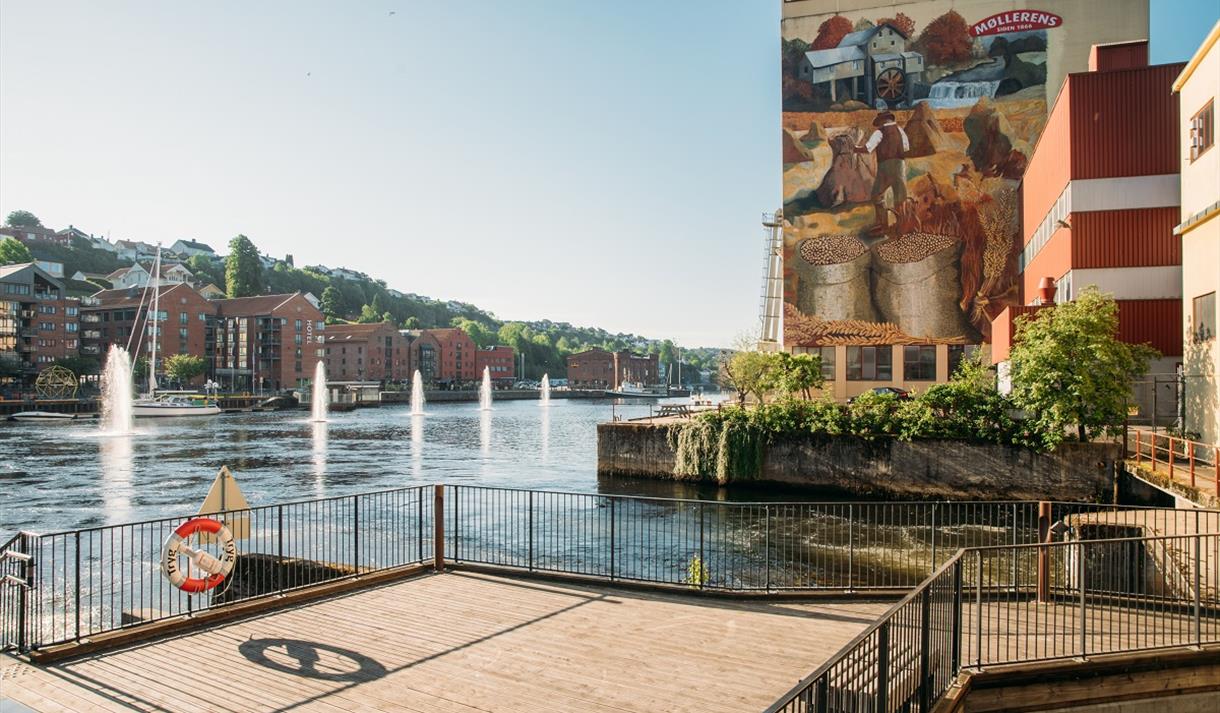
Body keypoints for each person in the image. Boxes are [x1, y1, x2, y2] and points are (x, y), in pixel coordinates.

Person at [855, 110, 910, 234]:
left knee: (877, 195)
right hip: (900, 166)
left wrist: (855, 149)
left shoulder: (879, 132)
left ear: (882, 121)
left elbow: (868, 148)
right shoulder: (900, 130)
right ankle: (902, 226)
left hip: (885, 167)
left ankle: (882, 225)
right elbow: (906, 148)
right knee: (900, 196)